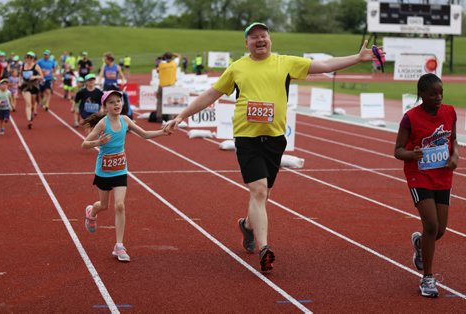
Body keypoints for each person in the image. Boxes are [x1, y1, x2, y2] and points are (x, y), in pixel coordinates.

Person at [163, 22, 382, 272]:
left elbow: (324, 66)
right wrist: (182, 115)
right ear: (246, 43)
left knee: (263, 193)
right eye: (254, 37)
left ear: (270, 39)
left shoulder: (285, 63)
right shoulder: (237, 68)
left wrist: (357, 58)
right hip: (247, 138)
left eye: (263, 36)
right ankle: (265, 247)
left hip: (275, 138)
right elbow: (211, 95)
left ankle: (247, 226)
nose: (260, 40)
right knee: (258, 191)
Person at [81, 90, 170, 262]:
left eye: (119, 101)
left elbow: (144, 134)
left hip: (120, 169)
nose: (116, 105)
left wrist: (162, 132)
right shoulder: (102, 124)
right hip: (104, 171)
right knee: (104, 205)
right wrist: (98, 142)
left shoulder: (126, 120)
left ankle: (119, 246)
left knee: (120, 205)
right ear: (105, 106)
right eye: (112, 102)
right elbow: (84, 144)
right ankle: (92, 211)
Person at [394, 73, 459, 298]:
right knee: (431, 224)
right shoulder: (410, 118)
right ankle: (428, 278)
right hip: (419, 175)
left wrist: (455, 156)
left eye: (441, 93)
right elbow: (397, 150)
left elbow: (453, 140)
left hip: (443, 175)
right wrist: (412, 154)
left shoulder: (450, 112)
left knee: (439, 230)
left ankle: (420, 243)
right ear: (421, 94)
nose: (438, 97)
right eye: (433, 94)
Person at [153, 52, 180, 122]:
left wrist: (163, 56)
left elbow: (157, 71)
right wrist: (174, 54)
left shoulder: (161, 64)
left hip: (162, 85)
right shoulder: (174, 63)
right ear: (171, 57)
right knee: (170, 101)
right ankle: (170, 117)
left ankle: (159, 117)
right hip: (171, 85)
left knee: (159, 101)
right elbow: (179, 56)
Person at [20, 51, 43, 129]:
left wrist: (35, 77)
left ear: (33, 59)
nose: (29, 59)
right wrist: (19, 83)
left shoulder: (36, 66)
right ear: (25, 58)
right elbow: (20, 76)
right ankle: (29, 120)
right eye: (28, 57)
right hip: (25, 86)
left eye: (31, 57)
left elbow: (41, 76)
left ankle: (32, 113)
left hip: (34, 86)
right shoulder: (22, 66)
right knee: (28, 103)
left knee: (32, 104)